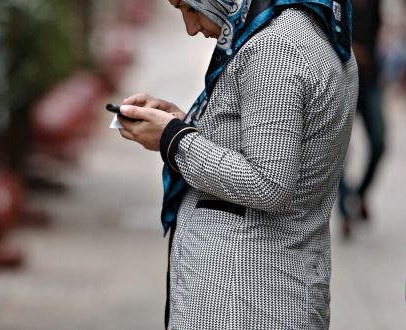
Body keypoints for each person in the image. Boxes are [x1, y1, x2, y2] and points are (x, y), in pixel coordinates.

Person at [117, 0, 357, 328]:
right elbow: (267, 142)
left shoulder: (276, 48)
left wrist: (173, 139)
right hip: (261, 287)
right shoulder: (307, 26)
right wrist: (183, 124)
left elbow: (267, 183)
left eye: (189, 7)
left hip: (244, 297)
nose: (191, 28)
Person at [338, 0, 385, 238]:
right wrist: (352, 49)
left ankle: (359, 194)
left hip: (370, 83)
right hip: (343, 80)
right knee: (339, 150)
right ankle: (345, 210)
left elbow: (378, 33)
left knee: (379, 144)